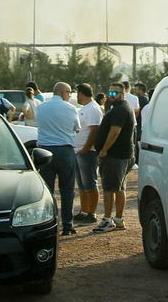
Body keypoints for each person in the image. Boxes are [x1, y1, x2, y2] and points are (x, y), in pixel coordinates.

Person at [36, 82, 80, 235]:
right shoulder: (71, 108)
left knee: (47, 190)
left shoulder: (40, 107)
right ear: (63, 93)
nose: (70, 96)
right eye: (69, 93)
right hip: (65, 151)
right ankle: (67, 224)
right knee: (67, 190)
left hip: (44, 152)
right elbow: (77, 128)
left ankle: (47, 222)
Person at [92, 83, 134, 233]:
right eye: (110, 92)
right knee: (119, 187)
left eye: (115, 93)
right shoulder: (121, 108)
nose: (111, 95)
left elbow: (115, 132)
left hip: (115, 156)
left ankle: (108, 220)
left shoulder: (120, 110)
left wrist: (104, 150)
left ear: (122, 94)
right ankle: (118, 220)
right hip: (122, 155)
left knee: (110, 188)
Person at [73, 83, 103, 224]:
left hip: (87, 153)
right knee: (83, 185)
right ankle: (84, 211)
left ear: (81, 94)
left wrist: (86, 149)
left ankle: (92, 213)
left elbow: (94, 131)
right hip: (79, 151)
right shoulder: (85, 108)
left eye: (77, 93)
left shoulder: (92, 108)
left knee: (90, 184)